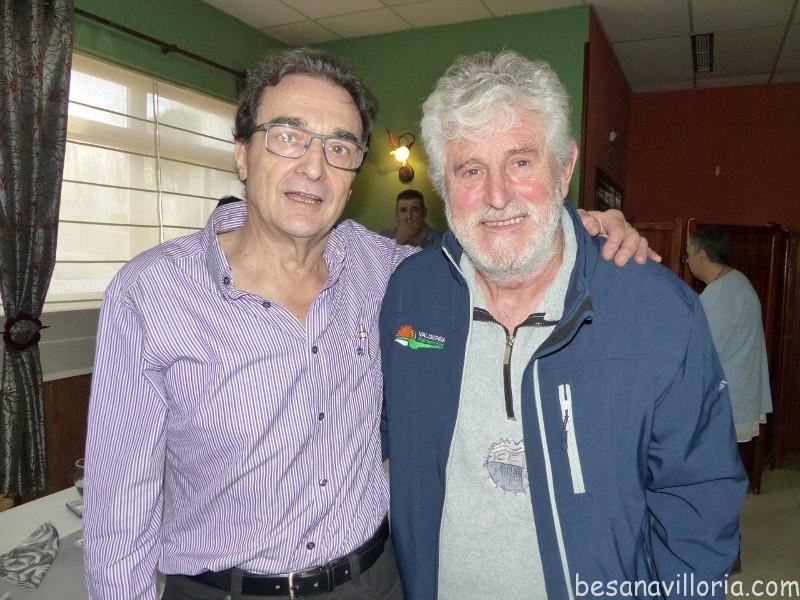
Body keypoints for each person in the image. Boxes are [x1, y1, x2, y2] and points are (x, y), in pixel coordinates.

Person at [84, 48, 653, 600]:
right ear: (242, 155)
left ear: (353, 173)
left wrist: (577, 228)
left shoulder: (389, 274)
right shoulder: (151, 294)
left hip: (374, 581)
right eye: (287, 137)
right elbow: (119, 509)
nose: (313, 167)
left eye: (339, 147)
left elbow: (495, 241)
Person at [379, 51, 747, 600]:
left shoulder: (657, 311)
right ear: (441, 183)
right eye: (471, 170)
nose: (497, 196)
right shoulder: (410, 294)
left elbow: (700, 502)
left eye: (521, 162)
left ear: (565, 167)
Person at [685, 228, 772, 443]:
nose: (687, 261)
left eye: (687, 254)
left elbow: (701, 351)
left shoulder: (722, 293)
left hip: (725, 396)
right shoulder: (736, 281)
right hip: (734, 393)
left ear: (702, 255)